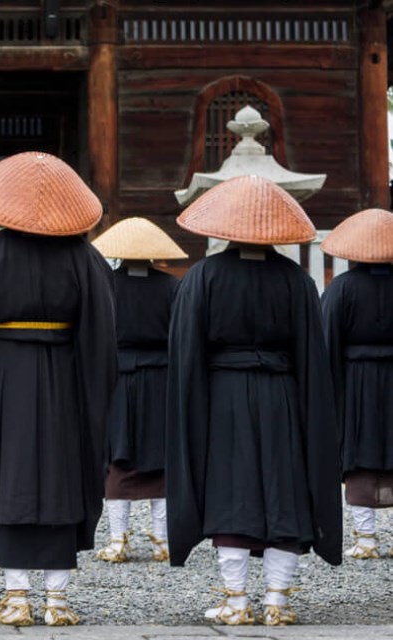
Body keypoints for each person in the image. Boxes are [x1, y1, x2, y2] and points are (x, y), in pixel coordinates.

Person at [0, 152, 117, 627]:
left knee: (9, 473)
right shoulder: (83, 256)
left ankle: (17, 595)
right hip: (65, 376)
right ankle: (57, 599)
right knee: (63, 472)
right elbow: (103, 331)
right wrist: (93, 393)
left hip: (4, 376)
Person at [166, 175, 341, 627]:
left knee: (230, 490)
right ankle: (278, 602)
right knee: (284, 488)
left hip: (223, 396)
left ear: (223, 227)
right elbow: (311, 353)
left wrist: (192, 409)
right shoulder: (296, 281)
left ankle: (236, 599)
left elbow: (187, 353)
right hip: (282, 395)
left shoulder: (203, 276)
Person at [91, 217, 185, 563]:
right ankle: (163, 541)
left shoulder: (105, 285)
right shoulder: (172, 287)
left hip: (117, 378)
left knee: (119, 452)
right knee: (159, 453)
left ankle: (118, 540)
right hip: (161, 377)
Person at [319, 208, 393, 559]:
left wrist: (330, 390)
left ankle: (366, 539)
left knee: (358, 449)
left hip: (356, 381)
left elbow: (327, 340)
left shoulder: (342, 288)